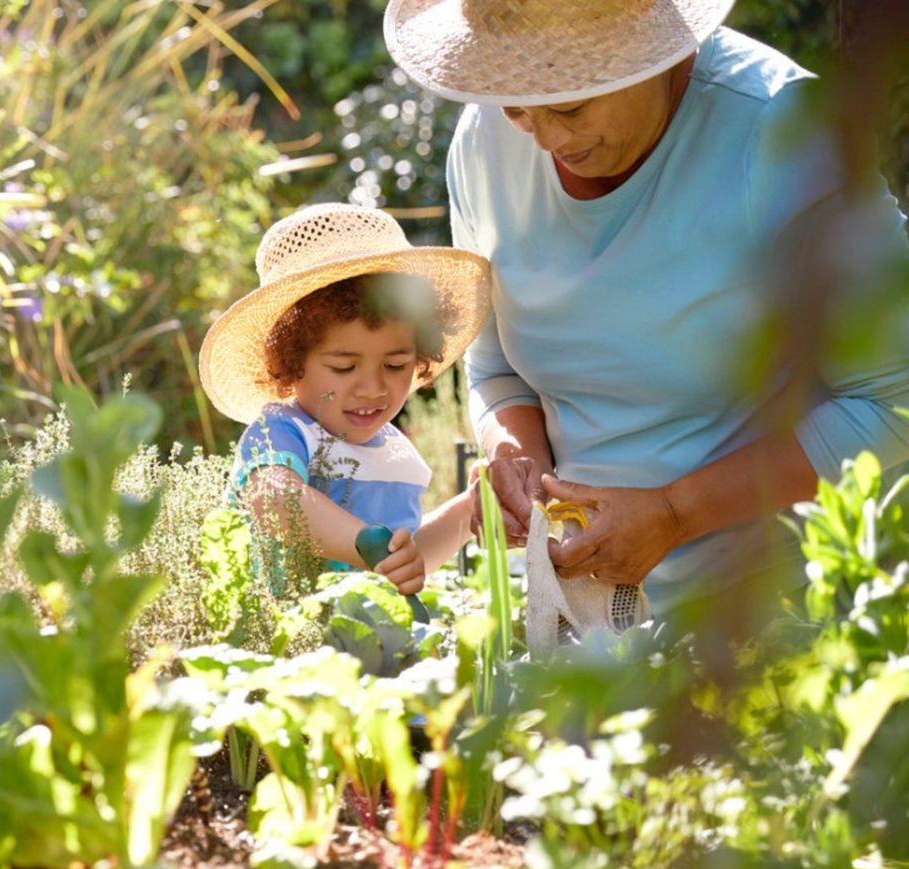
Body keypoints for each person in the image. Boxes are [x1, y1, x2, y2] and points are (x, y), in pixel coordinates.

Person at [384, 0, 909, 618]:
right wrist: (513, 457)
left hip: (784, 608)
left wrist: (675, 512)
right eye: (518, 107)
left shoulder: (783, 130)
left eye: (570, 106)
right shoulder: (482, 142)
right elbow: (495, 369)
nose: (546, 138)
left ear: (654, 52)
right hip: (584, 620)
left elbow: (893, 402)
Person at [198, 203, 488, 596]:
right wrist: (365, 543)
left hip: (371, 647)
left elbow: (406, 560)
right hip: (290, 646)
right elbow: (274, 500)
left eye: (395, 364)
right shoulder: (283, 431)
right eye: (343, 367)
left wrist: (470, 510)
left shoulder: (395, 452)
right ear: (291, 361)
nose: (372, 388)